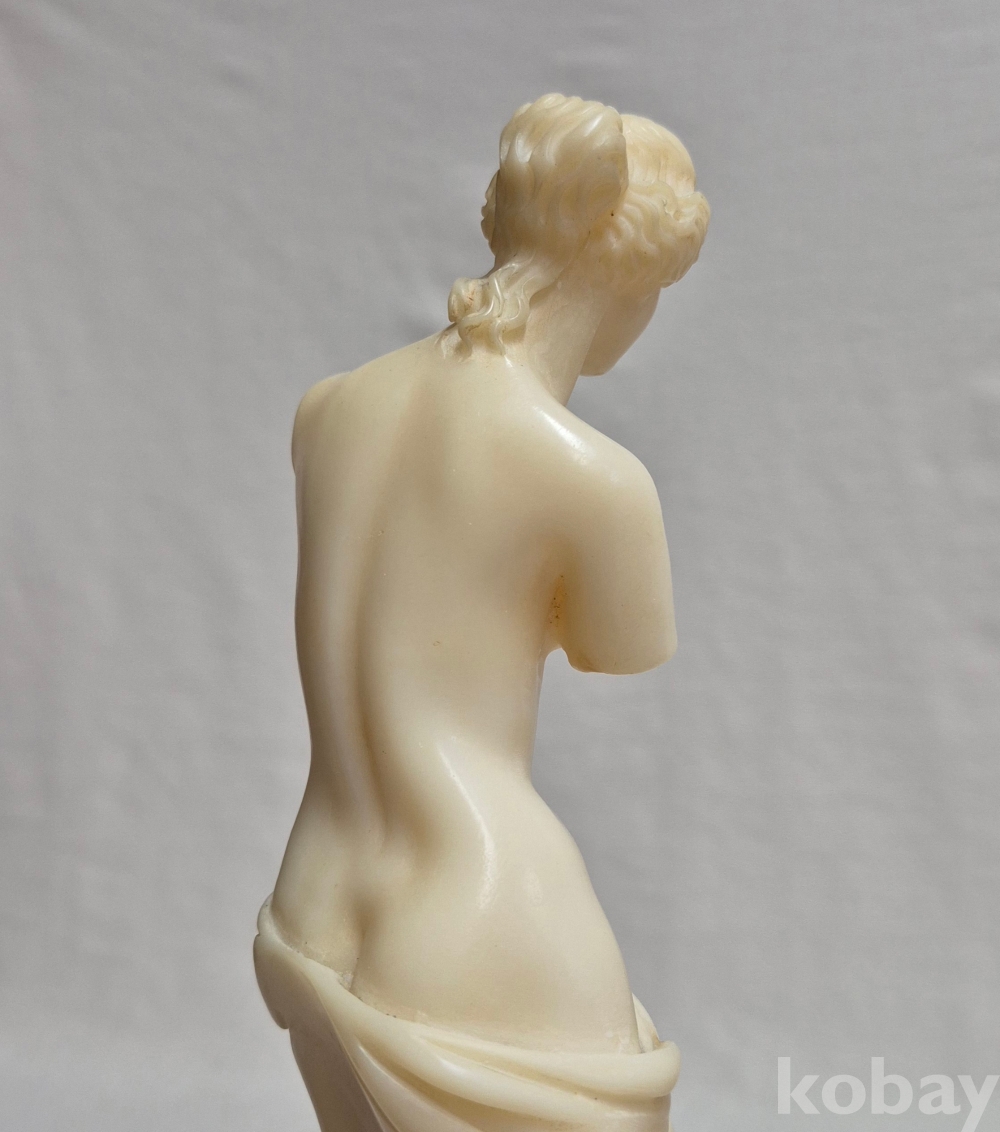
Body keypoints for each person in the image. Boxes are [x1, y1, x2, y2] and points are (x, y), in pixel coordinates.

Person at [257, 93, 709, 1132]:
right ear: (635, 276)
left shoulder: (329, 410)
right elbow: (619, 647)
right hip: (480, 898)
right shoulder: (597, 480)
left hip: (313, 893)